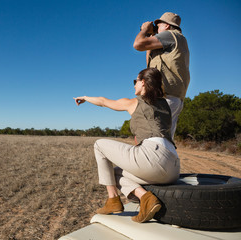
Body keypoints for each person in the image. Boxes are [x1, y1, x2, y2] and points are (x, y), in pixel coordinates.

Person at [74, 68, 180, 223]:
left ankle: (113, 200)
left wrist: (85, 97)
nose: (134, 85)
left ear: (143, 82)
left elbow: (104, 102)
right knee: (114, 173)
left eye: (135, 81)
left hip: (154, 158)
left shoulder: (135, 103)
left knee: (99, 145)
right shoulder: (165, 105)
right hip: (174, 168)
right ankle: (145, 198)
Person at [133, 12, 190, 139]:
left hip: (165, 97)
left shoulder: (171, 35)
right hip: (173, 97)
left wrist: (144, 30)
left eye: (159, 25)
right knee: (165, 139)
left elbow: (137, 44)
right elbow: (149, 65)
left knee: (151, 139)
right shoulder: (178, 41)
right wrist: (151, 36)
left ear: (167, 26)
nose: (156, 28)